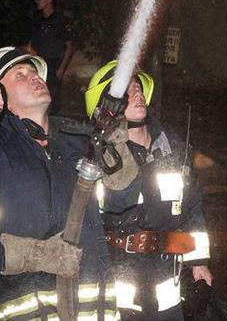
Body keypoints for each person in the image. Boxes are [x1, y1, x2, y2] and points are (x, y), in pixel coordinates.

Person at [0, 47, 119, 320]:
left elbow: (120, 201)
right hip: (34, 311)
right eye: (20, 75)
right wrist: (36, 255)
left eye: (35, 72)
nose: (34, 77)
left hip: (95, 311)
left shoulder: (78, 145)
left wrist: (119, 145)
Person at [85, 60, 213, 320]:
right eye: (127, 91)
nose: (137, 94)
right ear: (106, 107)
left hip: (167, 276)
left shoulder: (172, 149)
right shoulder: (98, 158)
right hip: (118, 275)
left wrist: (199, 263)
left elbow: (192, 209)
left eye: (138, 88)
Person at [26, 0, 75, 114]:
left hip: (53, 65)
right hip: (37, 63)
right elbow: (31, 42)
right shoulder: (37, 19)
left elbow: (69, 47)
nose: (37, 0)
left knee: (51, 101)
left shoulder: (60, 20)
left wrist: (61, 69)